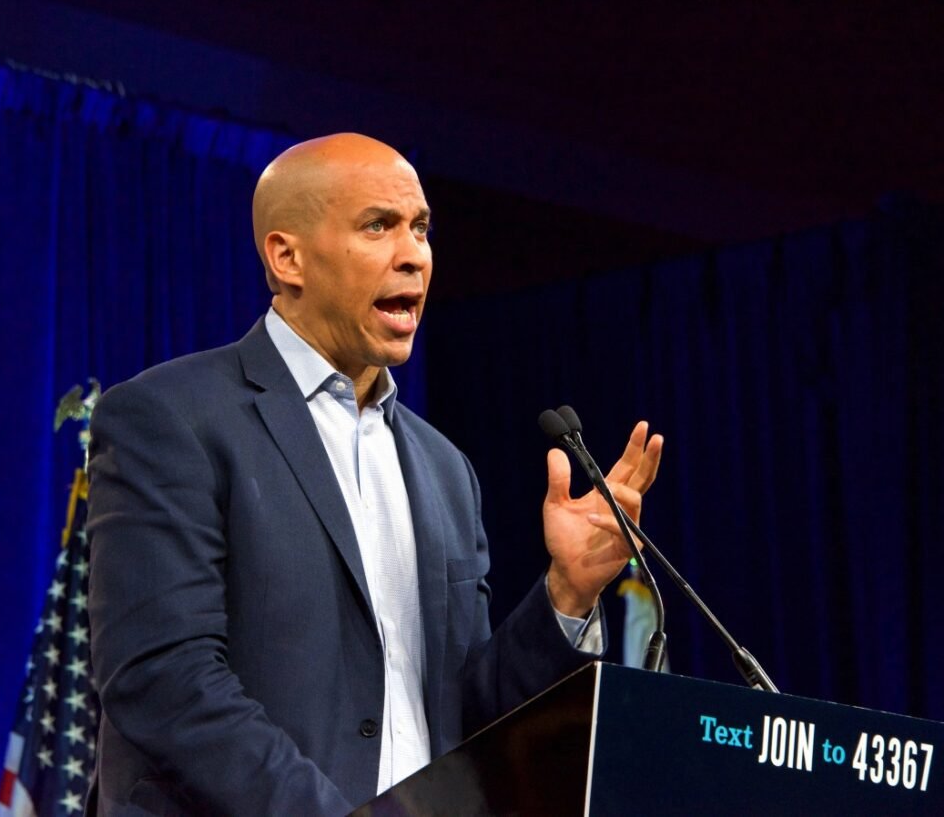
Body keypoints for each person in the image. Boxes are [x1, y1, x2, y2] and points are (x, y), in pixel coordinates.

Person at [86, 133, 662, 815]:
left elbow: (466, 717)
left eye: (420, 228)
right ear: (287, 256)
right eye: (378, 226)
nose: (414, 253)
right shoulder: (171, 417)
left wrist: (566, 592)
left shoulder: (446, 470)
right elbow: (164, 680)